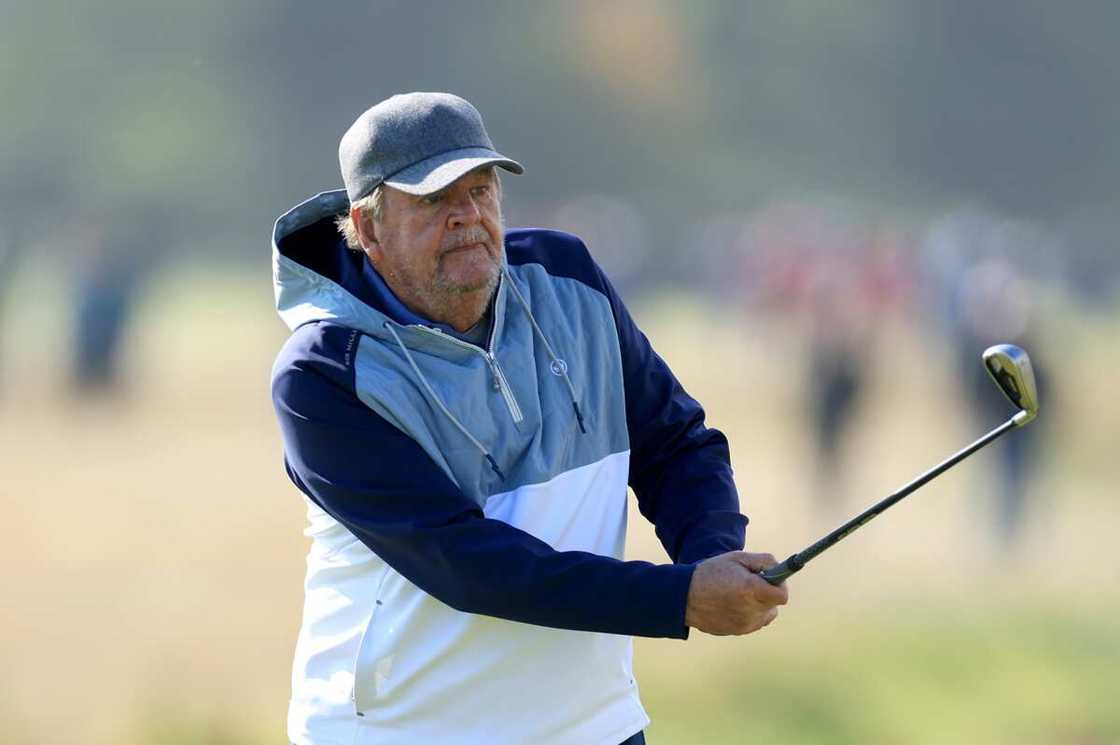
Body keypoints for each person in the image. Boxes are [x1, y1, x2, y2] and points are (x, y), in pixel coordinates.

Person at [270, 92, 789, 745]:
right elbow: (466, 562)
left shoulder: (568, 278)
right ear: (368, 228)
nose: (467, 216)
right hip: (404, 732)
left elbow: (675, 442)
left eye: (480, 190)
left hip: (594, 723)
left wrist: (712, 553)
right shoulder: (323, 373)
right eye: (433, 200)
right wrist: (679, 596)